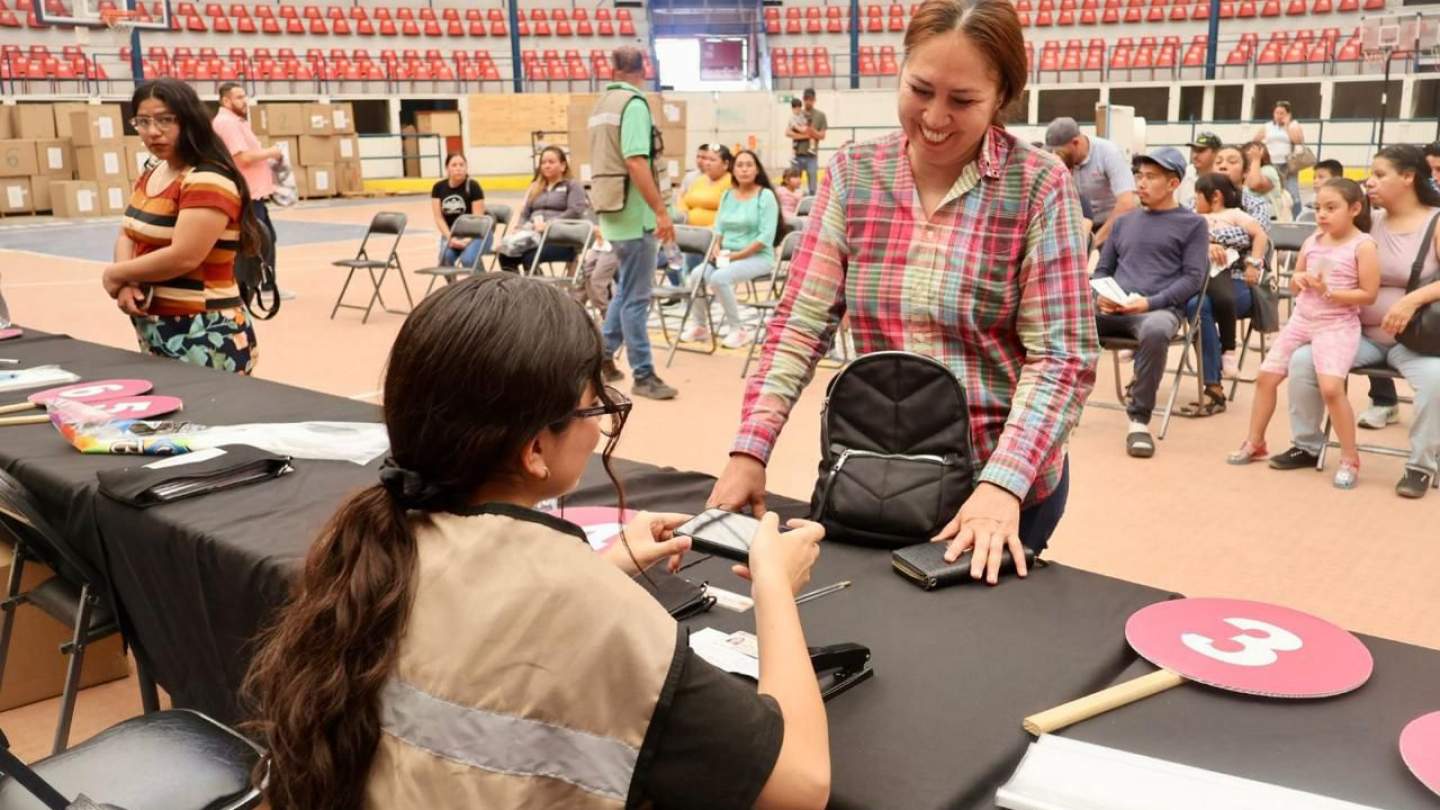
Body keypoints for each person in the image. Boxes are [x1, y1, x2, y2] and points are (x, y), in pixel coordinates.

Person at [244, 275, 831, 810]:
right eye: (592, 406)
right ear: (534, 449)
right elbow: (799, 785)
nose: (599, 423)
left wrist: (606, 565)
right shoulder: (598, 610)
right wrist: (774, 583)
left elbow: (481, 619)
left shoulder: (376, 538)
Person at [708, 0, 1097, 582]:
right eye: (920, 89)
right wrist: (749, 449)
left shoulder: (1040, 186)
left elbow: (1062, 357)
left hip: (994, 487)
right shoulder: (853, 173)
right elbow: (798, 325)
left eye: (963, 101)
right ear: (900, 71)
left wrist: (1002, 485)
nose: (935, 117)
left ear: (1002, 100)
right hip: (876, 477)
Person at [1275, 144, 1440, 498]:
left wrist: (1411, 300)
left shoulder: (1435, 222)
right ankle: (1307, 445)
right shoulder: (1366, 221)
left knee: (1435, 379)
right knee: (1303, 361)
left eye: (1380, 175)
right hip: (1354, 332)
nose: (1370, 183)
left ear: (1409, 177)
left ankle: (1421, 465)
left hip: (1412, 340)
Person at [101, 79, 265, 374]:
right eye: (143, 121)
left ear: (189, 120)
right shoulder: (154, 170)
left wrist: (116, 273)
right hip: (157, 326)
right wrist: (126, 284)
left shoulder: (207, 179)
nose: (153, 131)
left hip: (205, 330)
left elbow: (185, 256)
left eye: (166, 120)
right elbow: (128, 230)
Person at [1229, 179, 1378, 489]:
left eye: (1331, 208)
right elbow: (1294, 281)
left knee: (1331, 389)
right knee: (1265, 377)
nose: (1322, 214)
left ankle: (1350, 457)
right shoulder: (1313, 240)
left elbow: (1368, 294)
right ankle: (1255, 442)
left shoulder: (1363, 245)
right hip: (1302, 319)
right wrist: (1301, 279)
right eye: (1318, 208)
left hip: (1337, 324)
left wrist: (1331, 292)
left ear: (1354, 208)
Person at [1093, 147, 1209, 458]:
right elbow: (1103, 270)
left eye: (1151, 177)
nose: (1141, 183)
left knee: (1157, 329)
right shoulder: (1123, 222)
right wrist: (1102, 295)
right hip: (1113, 309)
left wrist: (1148, 303)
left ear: (1173, 184)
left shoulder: (1193, 224)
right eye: (1139, 176)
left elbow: (1193, 279)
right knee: (1062, 316)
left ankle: (1139, 421)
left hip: (1156, 312)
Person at [588, 45, 678, 400]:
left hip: (611, 209)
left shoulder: (600, 106)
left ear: (612, 69)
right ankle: (644, 375)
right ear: (646, 68)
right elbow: (637, 161)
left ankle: (602, 358)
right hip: (635, 213)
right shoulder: (634, 105)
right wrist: (660, 211)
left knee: (625, 291)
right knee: (637, 298)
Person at [681, 149, 783, 350]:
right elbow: (718, 227)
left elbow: (766, 237)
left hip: (757, 256)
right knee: (696, 275)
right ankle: (700, 326)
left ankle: (738, 329)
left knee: (720, 278)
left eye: (749, 165)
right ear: (733, 170)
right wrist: (716, 247)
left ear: (757, 169)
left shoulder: (766, 196)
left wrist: (736, 255)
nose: (744, 169)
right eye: (740, 165)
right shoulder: (728, 194)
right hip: (726, 256)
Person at [1187, 173, 1268, 408]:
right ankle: (1214, 381)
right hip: (1202, 279)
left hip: (1237, 279)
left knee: (1205, 306)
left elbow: (1260, 235)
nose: (1193, 202)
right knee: (1196, 305)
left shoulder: (1238, 213)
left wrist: (1254, 263)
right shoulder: (1193, 217)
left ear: (1215, 197)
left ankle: (1220, 370)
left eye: (1197, 197)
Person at [212, 82, 286, 298]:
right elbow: (242, 158)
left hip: (254, 193)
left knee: (266, 238)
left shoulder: (236, 122)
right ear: (226, 101)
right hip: (247, 194)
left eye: (245, 96)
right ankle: (258, 286)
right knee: (259, 241)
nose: (245, 101)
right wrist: (271, 152)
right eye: (239, 97)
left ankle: (262, 284)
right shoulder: (227, 123)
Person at [497, 146, 591, 274]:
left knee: (529, 256)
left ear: (563, 165)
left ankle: (536, 289)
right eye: (543, 162)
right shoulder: (536, 187)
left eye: (551, 162)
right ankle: (518, 289)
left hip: (561, 240)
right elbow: (525, 213)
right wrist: (519, 228)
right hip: (532, 237)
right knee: (505, 256)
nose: (546, 166)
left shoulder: (573, 185)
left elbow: (574, 211)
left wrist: (549, 224)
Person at [1045, 116, 1137, 245]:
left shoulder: (1109, 153)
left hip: (1110, 226)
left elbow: (1127, 203)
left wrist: (1095, 242)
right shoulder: (1060, 159)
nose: (1056, 154)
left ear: (1075, 142)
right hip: (1080, 227)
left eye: (1060, 151)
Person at [429, 153, 490, 270]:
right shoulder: (438, 188)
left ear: (466, 167)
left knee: (468, 259)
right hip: (453, 234)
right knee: (444, 259)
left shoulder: (473, 186)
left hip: (478, 234)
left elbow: (479, 220)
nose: (458, 168)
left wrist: (467, 240)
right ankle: (454, 288)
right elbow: (438, 217)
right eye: (454, 165)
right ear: (447, 168)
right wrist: (450, 238)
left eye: (462, 165)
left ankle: (483, 286)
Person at [1252, 100, 1305, 220]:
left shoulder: (1293, 125)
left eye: (1282, 113)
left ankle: (1298, 218)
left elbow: (1298, 141)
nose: (1279, 115)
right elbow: (1255, 140)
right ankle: (1275, 216)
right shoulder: (1267, 126)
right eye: (1276, 112)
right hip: (1272, 164)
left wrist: (1287, 125)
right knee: (1273, 193)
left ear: (1288, 114)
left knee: (1293, 192)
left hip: (1288, 165)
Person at [1214, 145, 1275, 231]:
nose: (1223, 166)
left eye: (1232, 162)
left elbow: (1254, 234)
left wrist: (1208, 235)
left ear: (1245, 172)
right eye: (1218, 162)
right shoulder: (1195, 202)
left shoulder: (1258, 206)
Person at [677, 143, 733, 229]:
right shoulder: (700, 180)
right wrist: (683, 214)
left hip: (713, 231)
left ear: (725, 164)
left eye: (712, 160)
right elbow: (684, 201)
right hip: (687, 226)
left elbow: (731, 214)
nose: (707, 163)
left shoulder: (731, 182)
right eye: (706, 159)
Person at [786, 88, 828, 196]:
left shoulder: (820, 115)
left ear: (814, 100)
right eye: (806, 99)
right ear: (803, 99)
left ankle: (812, 207)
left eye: (810, 99)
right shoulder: (797, 113)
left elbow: (822, 135)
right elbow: (787, 132)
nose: (808, 101)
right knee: (794, 187)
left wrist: (812, 132)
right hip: (797, 156)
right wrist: (804, 135)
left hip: (811, 156)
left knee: (813, 187)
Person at [1241, 141, 1290, 223]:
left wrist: (1256, 160)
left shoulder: (1268, 170)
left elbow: (1255, 184)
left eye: (1254, 153)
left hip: (1267, 220)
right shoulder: (1245, 173)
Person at [1178, 130, 1222, 210]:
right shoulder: (1184, 173)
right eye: (1194, 150)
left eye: (1201, 150)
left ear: (1216, 153)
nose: (1195, 155)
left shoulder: (1223, 178)